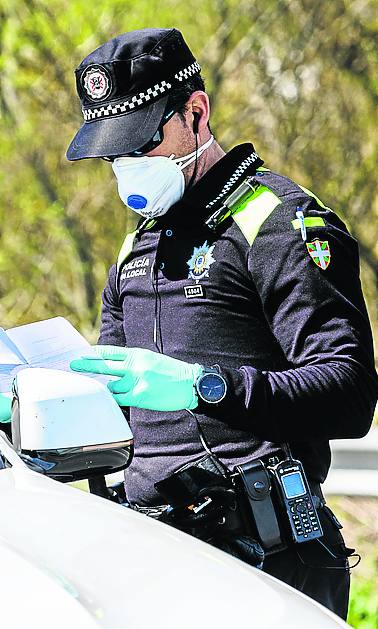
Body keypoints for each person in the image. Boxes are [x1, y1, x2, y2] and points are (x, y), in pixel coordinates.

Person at [67, 28, 378, 619]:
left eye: (140, 144)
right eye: (114, 154)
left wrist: (203, 386)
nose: (127, 168)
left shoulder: (278, 222)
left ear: (196, 113)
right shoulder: (138, 249)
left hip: (267, 562)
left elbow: (350, 392)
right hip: (149, 562)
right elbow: (115, 421)